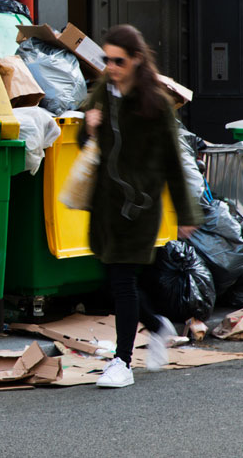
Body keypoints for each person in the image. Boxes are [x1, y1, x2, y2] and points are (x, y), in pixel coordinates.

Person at [82, 24, 199, 389]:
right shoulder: (103, 92)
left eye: (118, 60)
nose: (110, 66)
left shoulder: (156, 104)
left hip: (139, 206)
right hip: (104, 205)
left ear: (135, 60)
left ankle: (122, 362)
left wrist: (184, 213)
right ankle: (159, 325)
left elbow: (173, 163)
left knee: (121, 280)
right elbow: (84, 137)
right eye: (106, 59)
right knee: (114, 279)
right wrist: (88, 126)